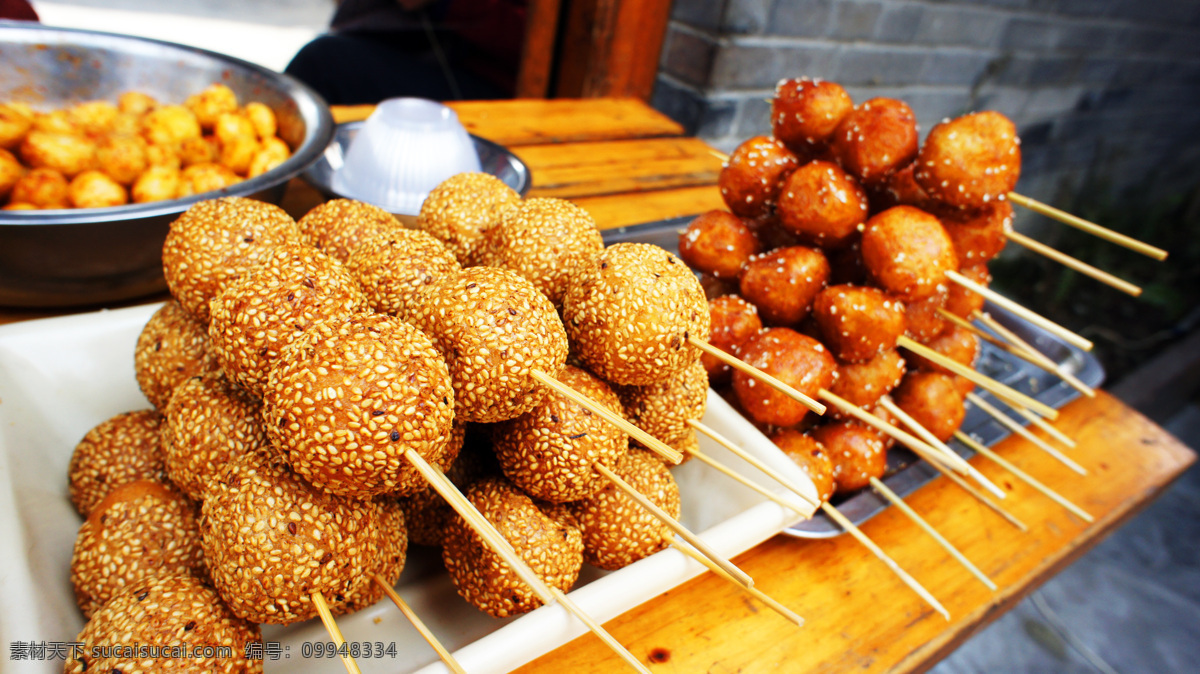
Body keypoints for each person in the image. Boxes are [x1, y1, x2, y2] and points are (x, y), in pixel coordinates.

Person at [284, 0, 526, 105]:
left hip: (494, 81)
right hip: (426, 40)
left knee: (322, 63)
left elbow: (531, 38)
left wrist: (448, 4)